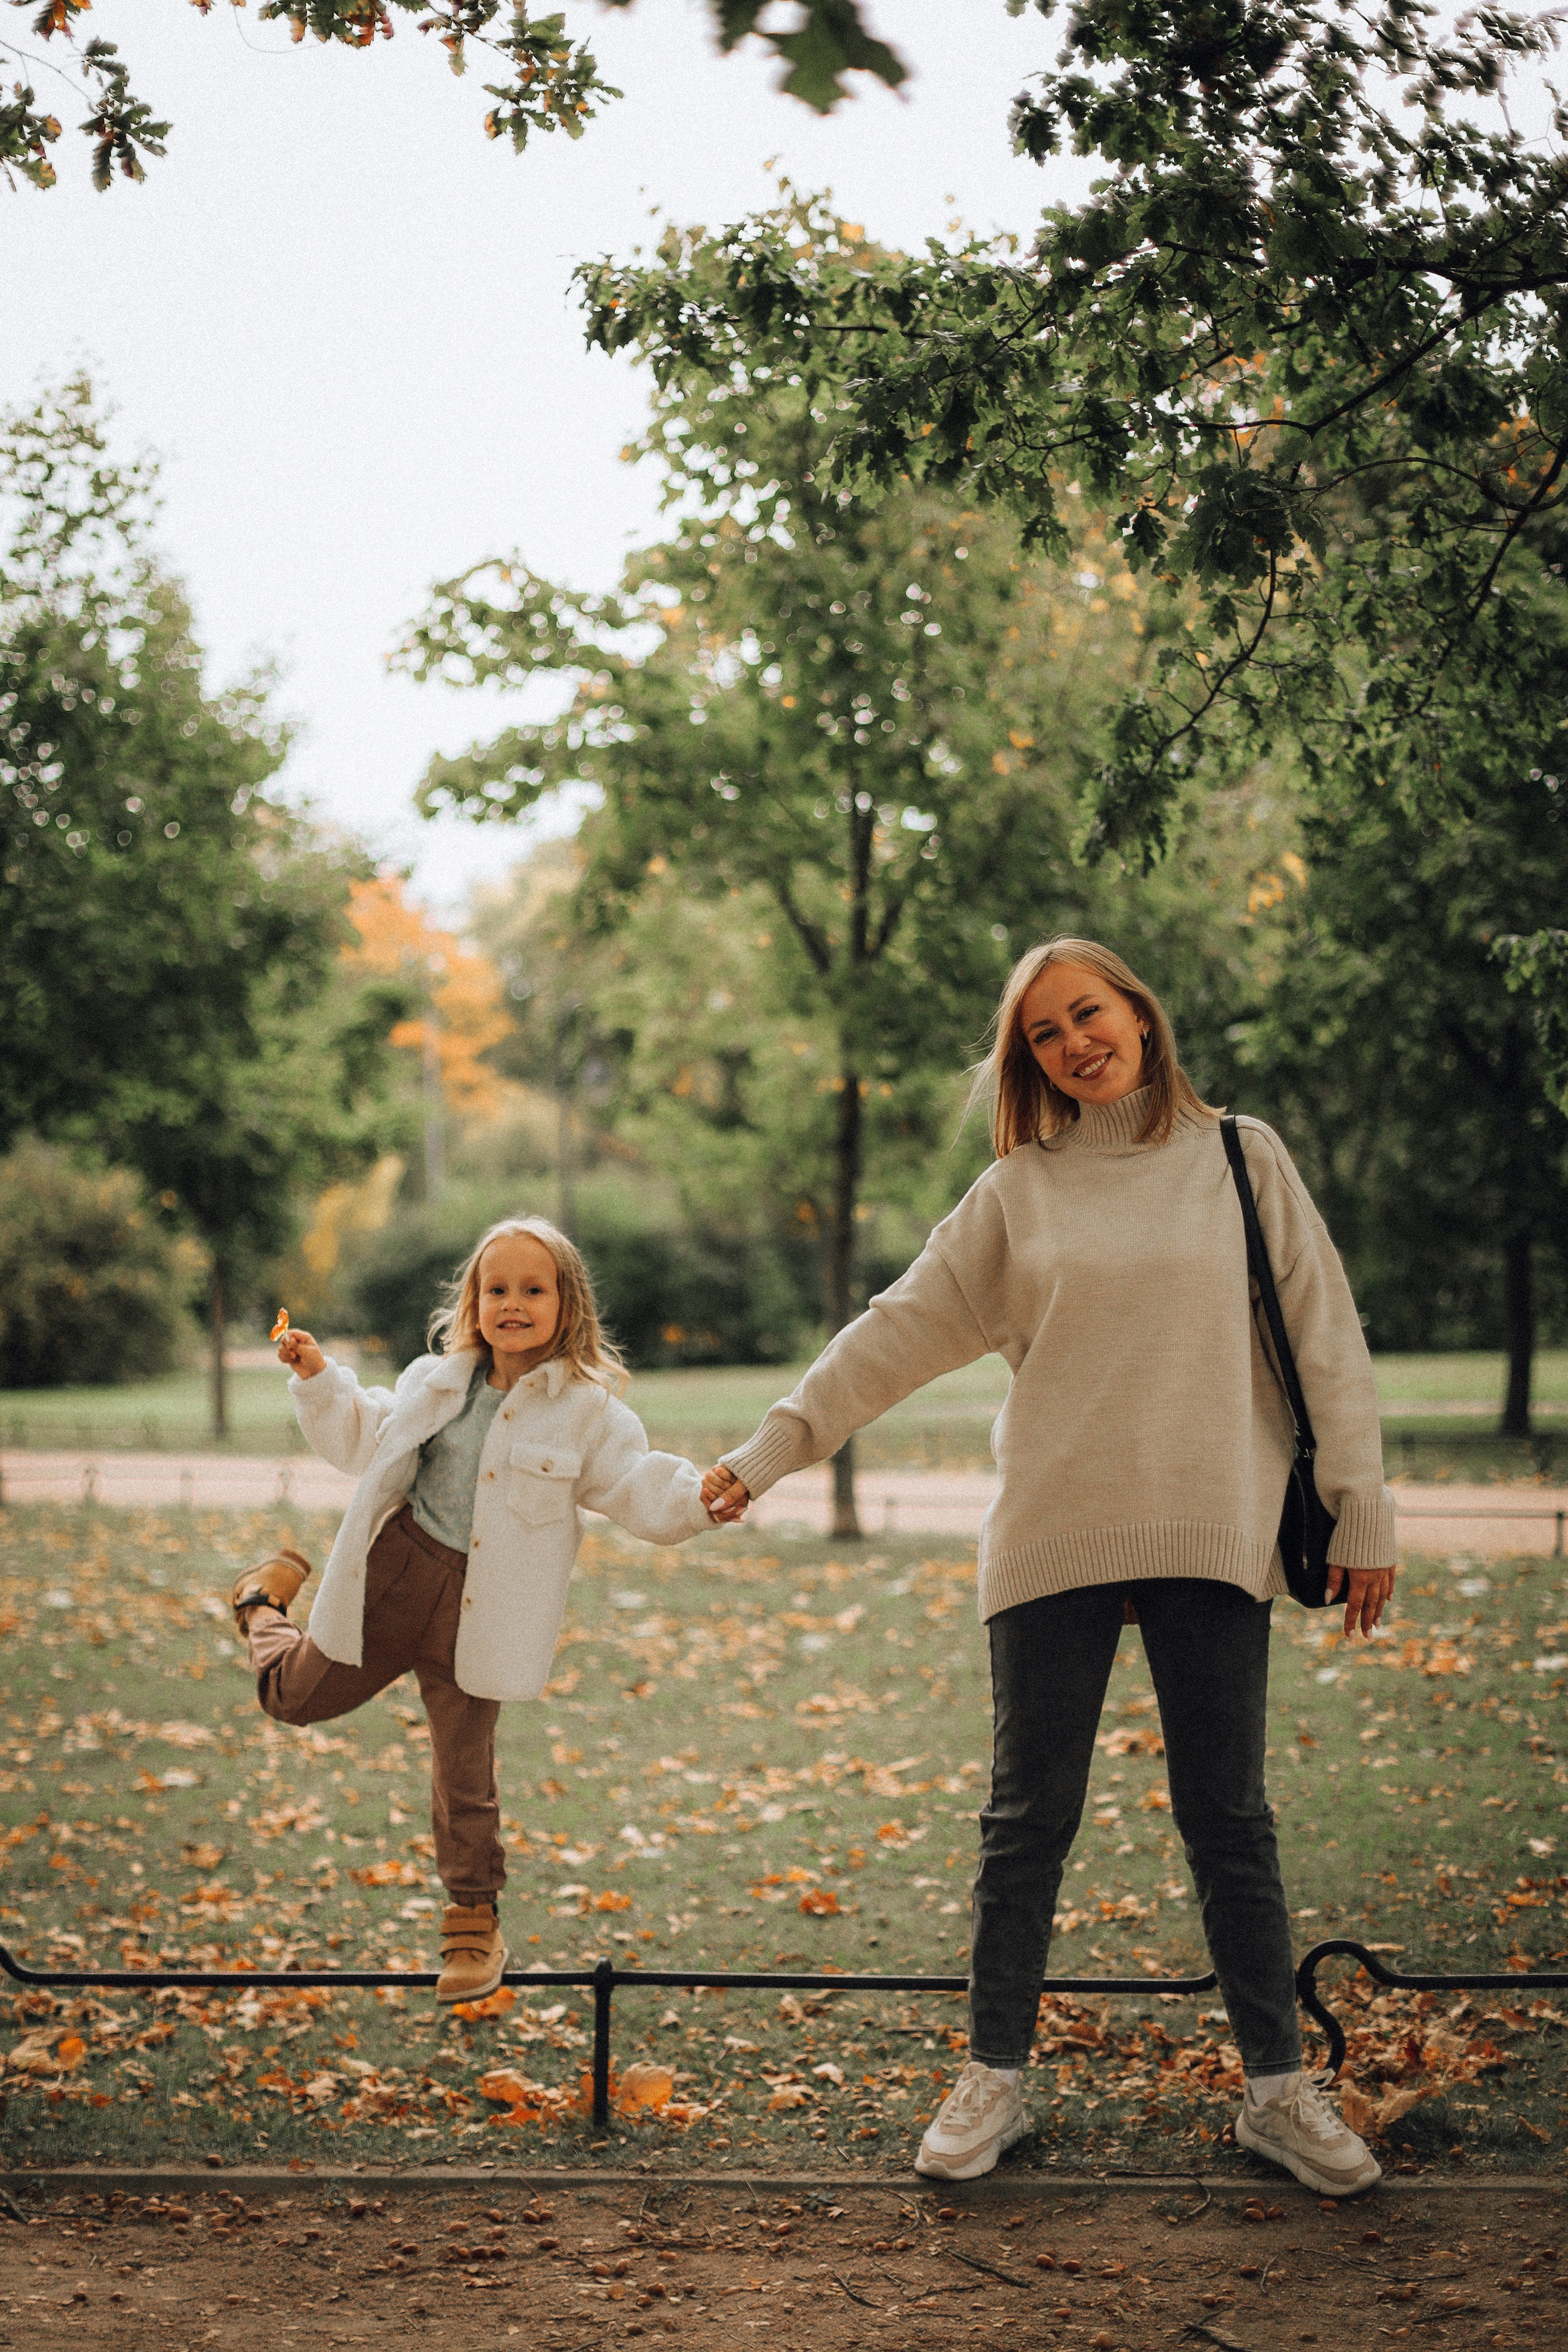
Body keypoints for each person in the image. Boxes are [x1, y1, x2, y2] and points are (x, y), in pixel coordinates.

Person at [703, 937, 1396, 2196]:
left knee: (1228, 1823)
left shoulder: (1241, 1157)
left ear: (1137, 1009)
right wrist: (771, 1451)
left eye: (1088, 1014)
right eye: (1042, 1034)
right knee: (1024, 1824)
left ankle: (1278, 2091)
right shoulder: (1016, 1193)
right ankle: (993, 2079)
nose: (1073, 1042)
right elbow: (894, 1329)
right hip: (1052, 1532)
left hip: (1212, 1526)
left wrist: (1364, 1512)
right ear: (1026, 1060)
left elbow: (1324, 1334)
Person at [230, 1217, 715, 2003]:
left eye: (533, 1290)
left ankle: (472, 1927)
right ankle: (260, 1605)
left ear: (568, 1305)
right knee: (292, 1699)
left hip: (484, 1613)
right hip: (394, 1578)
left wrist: (700, 1500)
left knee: (465, 1773)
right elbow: (362, 1437)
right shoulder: (435, 1382)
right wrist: (319, 1375)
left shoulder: (588, 1415)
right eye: (497, 1289)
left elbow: (637, 1483)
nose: (512, 1304)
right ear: (474, 1301)